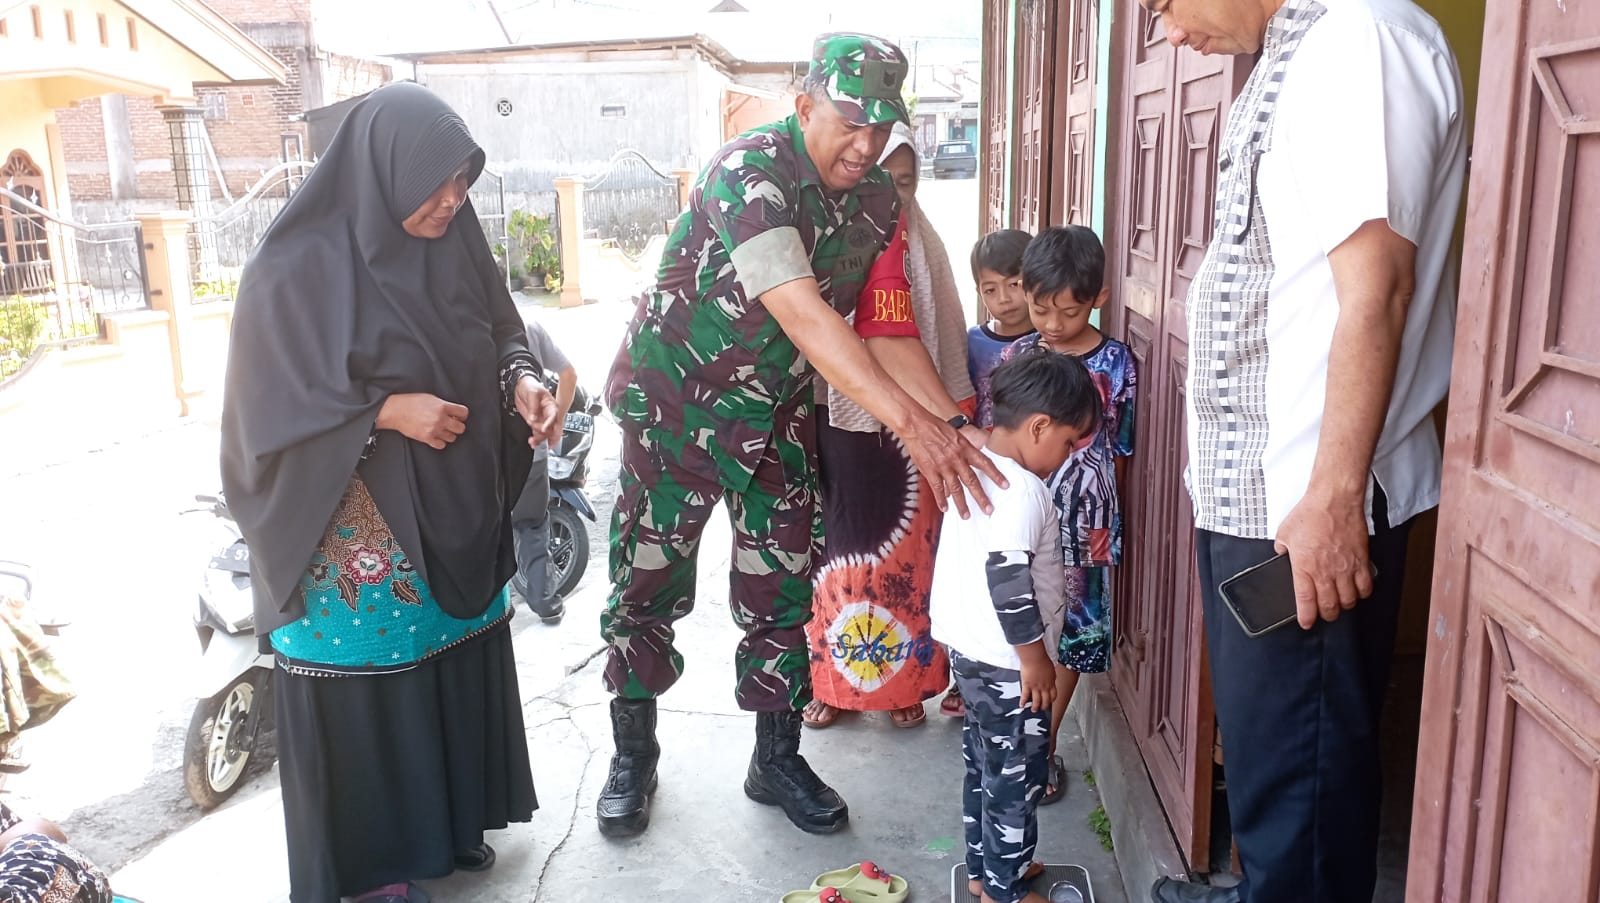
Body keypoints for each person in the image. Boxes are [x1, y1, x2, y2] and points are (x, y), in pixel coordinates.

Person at [599, 32, 1003, 839]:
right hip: (677, 408)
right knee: (648, 584)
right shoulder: (749, 173)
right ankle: (633, 754)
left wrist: (954, 426)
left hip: (775, 420)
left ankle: (774, 756)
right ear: (805, 105)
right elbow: (803, 311)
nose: (865, 146)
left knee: (782, 589)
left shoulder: (878, 202)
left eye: (882, 129)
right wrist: (909, 425)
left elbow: (882, 329)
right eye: (849, 123)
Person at [1139, 0, 1466, 901]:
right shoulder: (1302, 50)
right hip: (1262, 501)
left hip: (1309, 510)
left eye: (1165, 4)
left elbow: (1379, 290)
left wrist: (1331, 499)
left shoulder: (1364, 37)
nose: (1169, 34)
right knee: (1273, 772)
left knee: (1306, 794)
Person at [221, 82, 561, 903]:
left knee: (446, 657)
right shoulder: (290, 269)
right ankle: (373, 862)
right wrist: (384, 413)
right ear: (382, 171)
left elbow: (502, 323)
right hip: (350, 525)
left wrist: (521, 378)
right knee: (377, 677)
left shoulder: (453, 237)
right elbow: (264, 413)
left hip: (451, 502)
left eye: (464, 180)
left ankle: (447, 828)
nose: (453, 199)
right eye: (436, 181)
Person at [802, 122, 982, 731]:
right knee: (840, 553)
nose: (893, 194)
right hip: (842, 421)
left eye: (904, 181)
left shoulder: (925, 245)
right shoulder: (835, 241)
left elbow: (940, 337)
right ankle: (833, 684)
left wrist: (951, 418)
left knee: (910, 561)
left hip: (919, 430)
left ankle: (905, 684)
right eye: (882, 179)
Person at [930, 353, 1101, 903]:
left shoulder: (973, 461)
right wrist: (1035, 660)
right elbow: (1009, 580)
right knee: (1017, 782)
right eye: (1070, 443)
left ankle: (986, 872)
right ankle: (1002, 894)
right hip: (1009, 667)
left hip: (970, 656)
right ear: (1039, 426)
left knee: (984, 768)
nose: (1068, 457)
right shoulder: (1024, 490)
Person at [1001, 226, 1137, 804]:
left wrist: (1111, 518)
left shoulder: (1117, 363)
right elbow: (1002, 443)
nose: (1052, 325)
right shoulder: (1018, 356)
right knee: (1024, 621)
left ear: (1097, 298)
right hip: (1026, 523)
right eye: (1040, 308)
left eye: (1068, 310)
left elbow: (1121, 452)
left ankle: (1043, 748)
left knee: (1079, 636)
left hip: (1090, 522)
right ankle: (1013, 735)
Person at [510, 318, 577, 623]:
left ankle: (495, 609)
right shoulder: (530, 327)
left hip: (486, 457)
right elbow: (568, 374)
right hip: (531, 453)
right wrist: (557, 419)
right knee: (533, 526)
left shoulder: (464, 324)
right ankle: (546, 602)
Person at [967, 229, 1037, 430]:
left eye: (1014, 284)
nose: (1004, 298)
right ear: (979, 293)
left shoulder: (1050, 339)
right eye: (990, 290)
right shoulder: (972, 342)